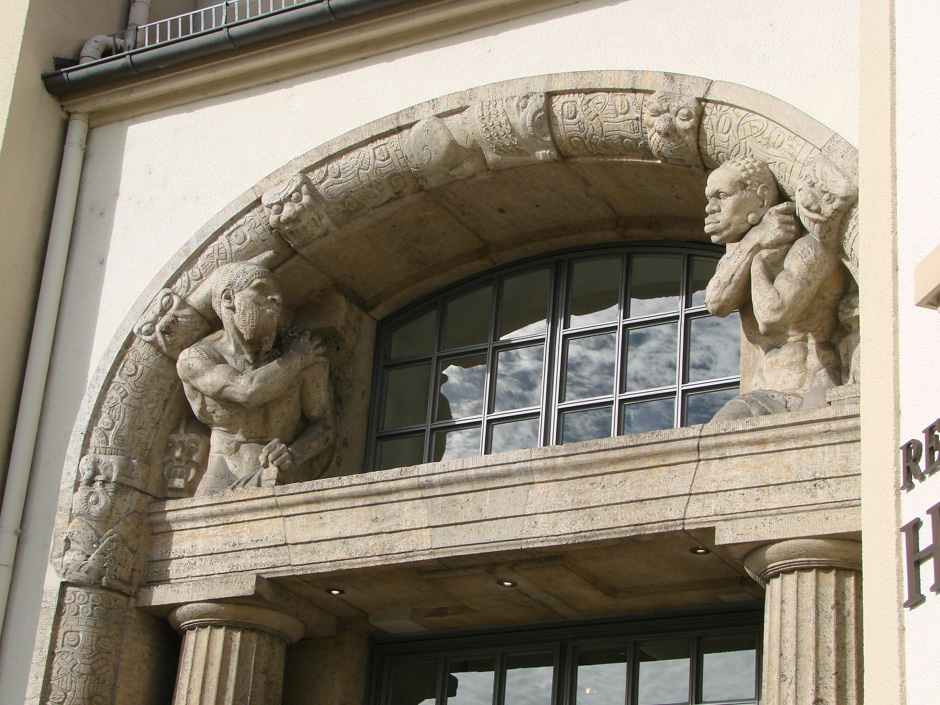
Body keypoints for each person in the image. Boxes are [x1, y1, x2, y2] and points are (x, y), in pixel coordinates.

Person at [704, 156, 847, 419]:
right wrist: (755, 241)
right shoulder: (743, 252)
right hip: (768, 390)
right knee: (723, 426)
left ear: (761, 198)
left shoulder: (810, 246)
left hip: (818, 379)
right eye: (709, 198)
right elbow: (716, 302)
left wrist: (758, 261)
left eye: (721, 196)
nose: (710, 208)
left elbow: (773, 317)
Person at [177, 262, 335, 493]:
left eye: (277, 295)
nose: (275, 299)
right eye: (261, 290)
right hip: (222, 473)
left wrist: (294, 454)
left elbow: (324, 424)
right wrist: (297, 359)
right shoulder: (197, 358)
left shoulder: (301, 345)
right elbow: (247, 392)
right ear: (229, 298)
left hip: (281, 476)